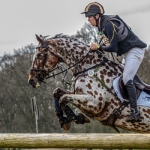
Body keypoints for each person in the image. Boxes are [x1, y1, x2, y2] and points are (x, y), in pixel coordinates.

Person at [81, 2, 147, 122]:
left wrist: (98, 47)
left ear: (97, 16)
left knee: (127, 78)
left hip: (135, 51)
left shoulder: (109, 24)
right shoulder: (102, 25)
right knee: (117, 78)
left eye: (89, 17)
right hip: (127, 53)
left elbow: (113, 48)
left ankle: (135, 112)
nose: (88, 20)